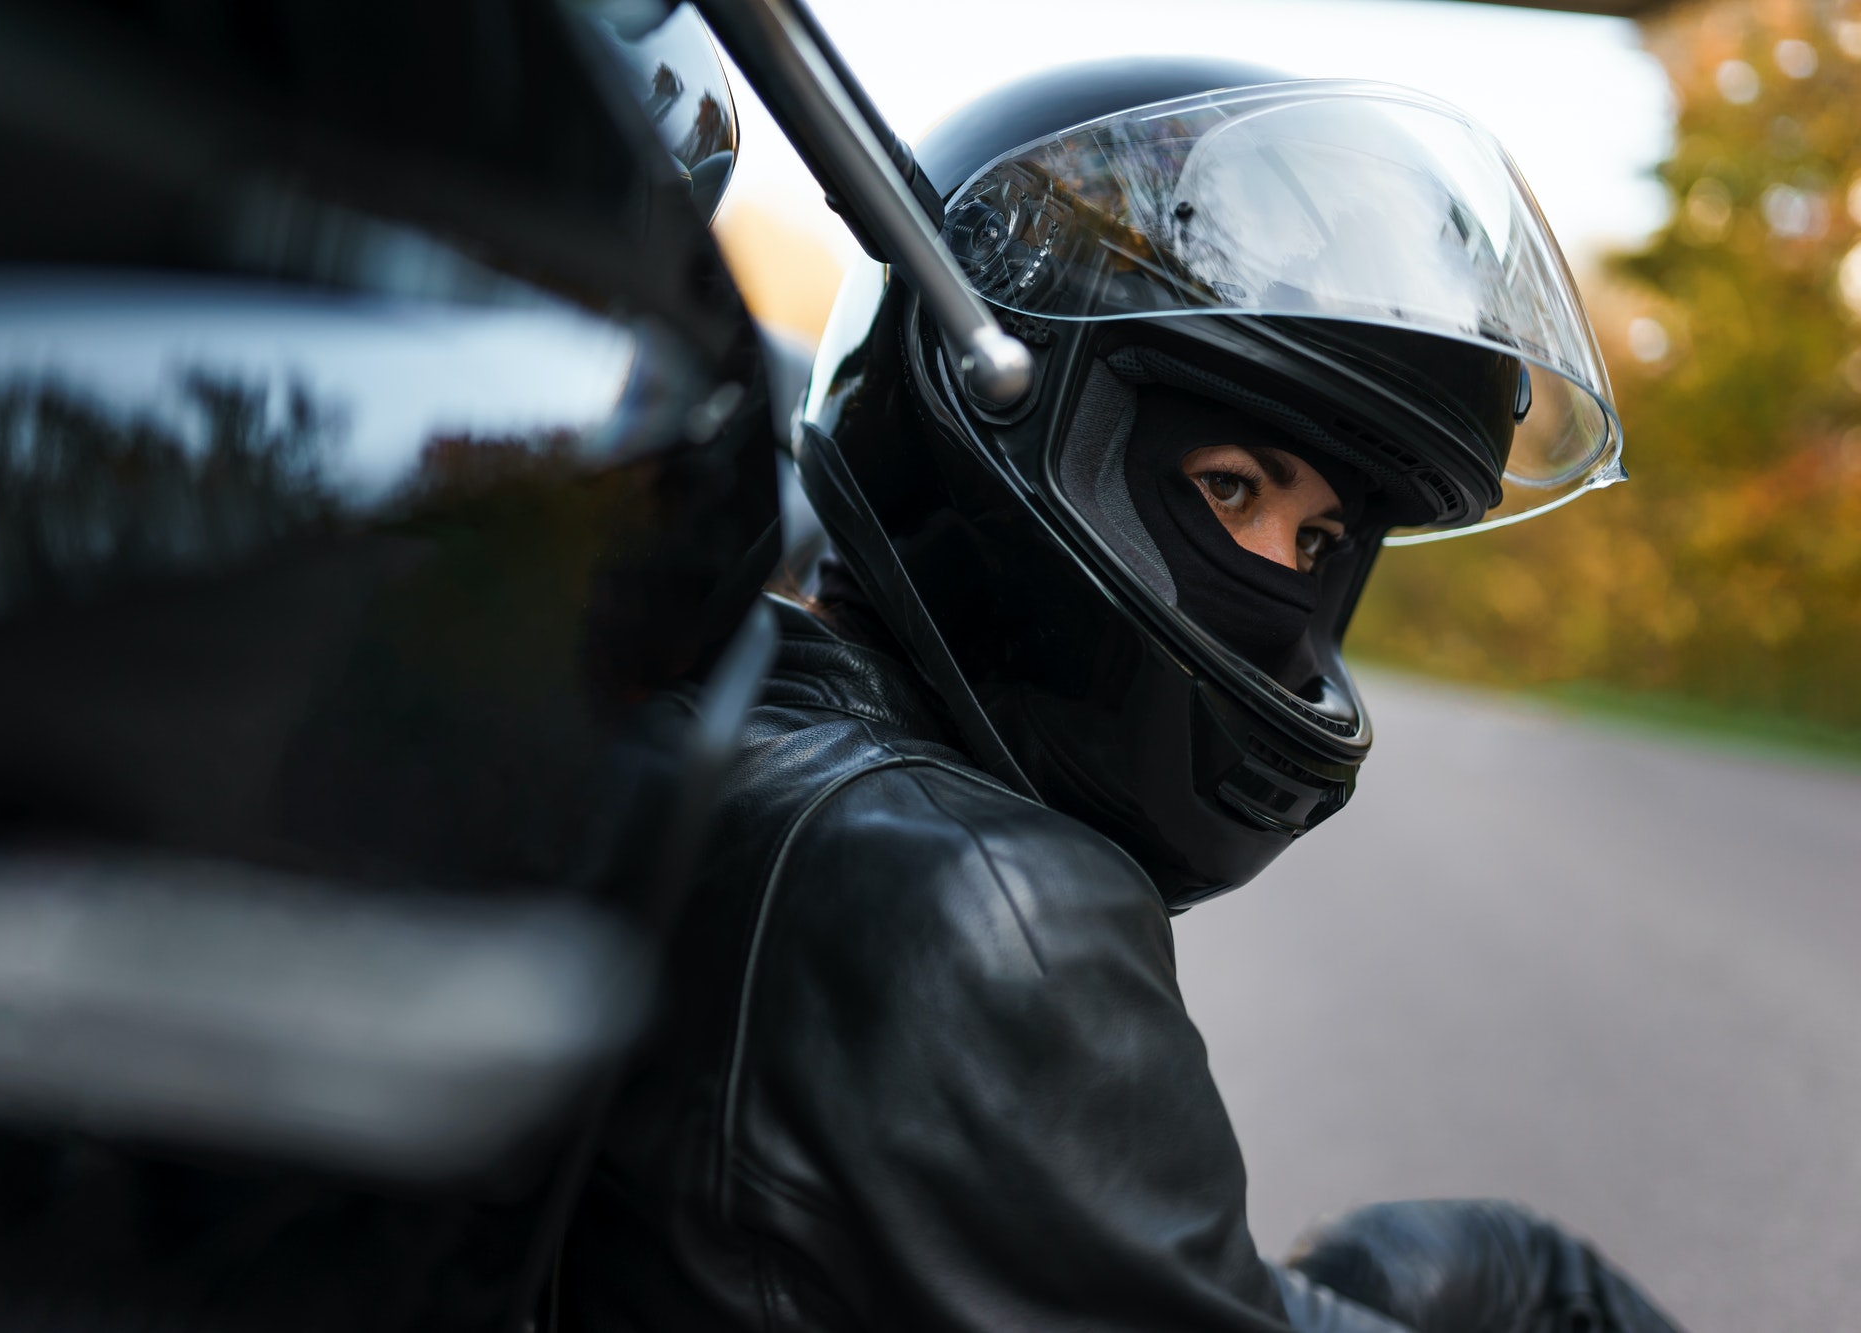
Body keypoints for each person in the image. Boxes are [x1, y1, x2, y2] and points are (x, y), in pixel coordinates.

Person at [557, 59, 1681, 1332]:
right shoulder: (986, 904)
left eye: (1318, 543)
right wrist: (1514, 1285)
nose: (1277, 579)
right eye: (1229, 488)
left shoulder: (719, 711)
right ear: (1008, 426)